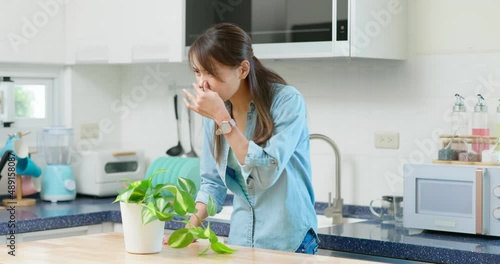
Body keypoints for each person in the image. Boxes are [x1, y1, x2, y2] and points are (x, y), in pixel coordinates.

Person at [180, 23, 318, 254]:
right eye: (197, 71)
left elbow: (265, 175)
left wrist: (223, 120)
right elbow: (212, 183)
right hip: (241, 241)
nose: (202, 83)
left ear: (243, 70)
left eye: (211, 72)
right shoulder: (216, 111)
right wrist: (188, 231)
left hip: (290, 243)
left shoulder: (286, 102)